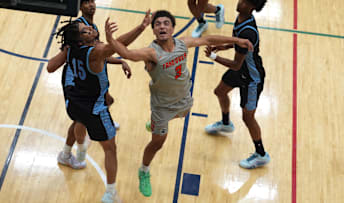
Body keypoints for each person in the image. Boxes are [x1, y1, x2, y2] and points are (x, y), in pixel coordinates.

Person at [104, 10, 253, 197]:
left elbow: (208, 40)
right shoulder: (152, 52)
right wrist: (111, 40)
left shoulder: (182, 43)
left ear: (173, 28)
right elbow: (127, 53)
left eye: (166, 23)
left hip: (183, 100)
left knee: (184, 114)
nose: (162, 26)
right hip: (162, 107)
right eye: (157, 24)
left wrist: (237, 41)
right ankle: (144, 171)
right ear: (154, 31)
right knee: (158, 143)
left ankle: (155, 124)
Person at [47, 10, 151, 203]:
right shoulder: (94, 53)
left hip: (75, 98)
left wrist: (116, 58)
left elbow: (52, 66)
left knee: (79, 120)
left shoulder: (71, 49)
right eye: (84, 31)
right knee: (110, 148)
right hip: (94, 107)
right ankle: (110, 192)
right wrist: (141, 27)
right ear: (81, 41)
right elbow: (120, 45)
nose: (88, 27)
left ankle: (74, 152)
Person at [47, 0, 132, 170]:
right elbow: (52, 66)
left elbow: (100, 54)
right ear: (79, 6)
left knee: (104, 102)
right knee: (81, 119)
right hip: (76, 82)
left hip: (89, 79)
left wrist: (118, 61)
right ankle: (77, 151)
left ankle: (94, 126)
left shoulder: (90, 28)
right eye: (86, 2)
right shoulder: (78, 30)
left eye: (92, 1)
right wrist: (66, 51)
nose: (91, 5)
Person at [204, 0, 270, 169]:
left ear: (252, 7)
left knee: (248, 117)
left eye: (245, 2)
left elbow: (235, 65)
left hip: (251, 78)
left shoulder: (248, 31)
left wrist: (213, 57)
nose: (240, 2)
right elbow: (237, 43)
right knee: (220, 91)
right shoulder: (242, 18)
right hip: (241, 70)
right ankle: (226, 123)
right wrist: (224, 46)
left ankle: (261, 154)